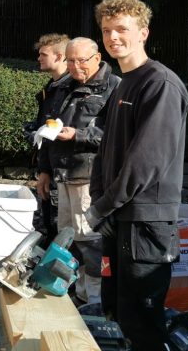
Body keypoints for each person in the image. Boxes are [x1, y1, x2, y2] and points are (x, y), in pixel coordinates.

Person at [86, 0, 188, 350]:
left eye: (122, 29)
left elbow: (146, 160)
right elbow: (105, 150)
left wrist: (103, 206)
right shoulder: (122, 85)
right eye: (107, 30)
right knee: (116, 309)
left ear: (143, 32)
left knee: (143, 321)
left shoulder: (159, 84)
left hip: (145, 223)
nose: (113, 37)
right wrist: (98, 199)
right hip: (118, 218)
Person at [37, 37, 120, 304]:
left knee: (90, 239)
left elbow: (118, 136)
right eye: (70, 61)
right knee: (68, 236)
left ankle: (95, 300)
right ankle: (77, 292)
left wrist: (79, 135)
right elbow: (49, 128)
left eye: (80, 61)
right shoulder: (64, 87)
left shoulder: (114, 88)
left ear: (97, 58)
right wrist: (45, 170)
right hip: (63, 173)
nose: (74, 66)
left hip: (90, 177)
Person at [23, 33, 71, 243]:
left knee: (61, 227)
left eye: (43, 54)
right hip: (49, 167)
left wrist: (48, 171)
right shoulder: (51, 89)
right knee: (50, 220)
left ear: (59, 56)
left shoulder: (71, 90)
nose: (39, 58)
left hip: (63, 172)